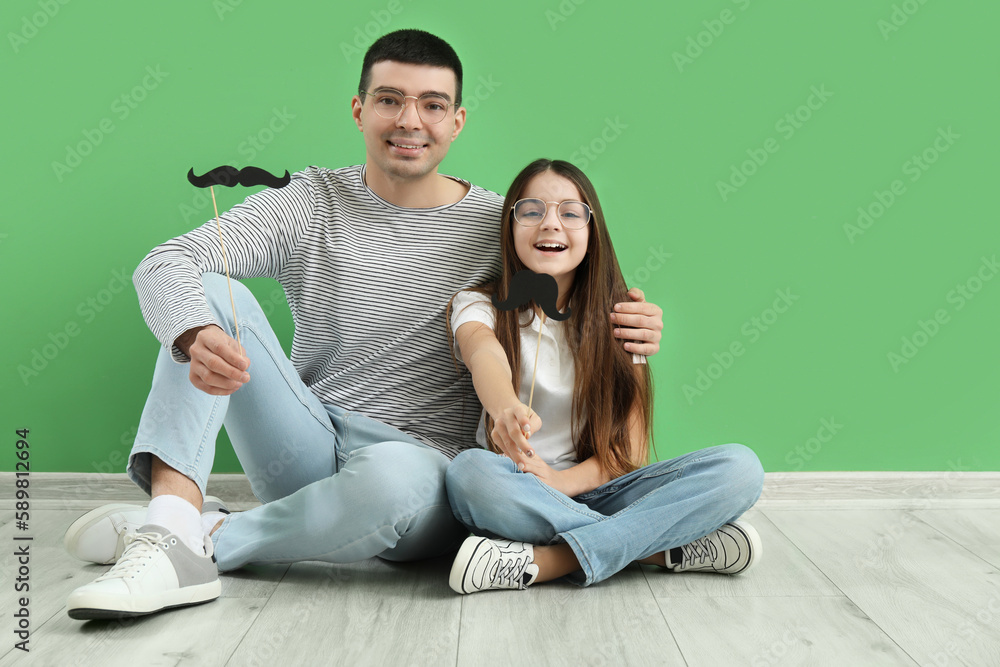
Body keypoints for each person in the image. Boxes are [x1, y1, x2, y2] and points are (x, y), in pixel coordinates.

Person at [63, 30, 666, 619]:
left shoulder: (499, 224)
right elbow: (165, 263)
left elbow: (574, 276)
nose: (410, 120)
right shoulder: (308, 201)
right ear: (359, 110)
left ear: (456, 123)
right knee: (213, 298)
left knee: (396, 476)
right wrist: (193, 333)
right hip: (306, 442)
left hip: (426, 474)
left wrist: (634, 319)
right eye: (389, 100)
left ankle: (202, 533)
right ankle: (170, 524)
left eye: (432, 105)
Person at [444, 159, 764, 594]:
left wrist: (560, 482)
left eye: (570, 213)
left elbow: (628, 449)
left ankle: (548, 561)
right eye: (531, 210)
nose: (550, 224)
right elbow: (482, 352)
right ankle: (656, 548)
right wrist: (505, 407)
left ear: (592, 234)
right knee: (468, 474)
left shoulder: (623, 319)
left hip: (604, 489)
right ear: (510, 225)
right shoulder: (476, 305)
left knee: (740, 467)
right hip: (518, 489)